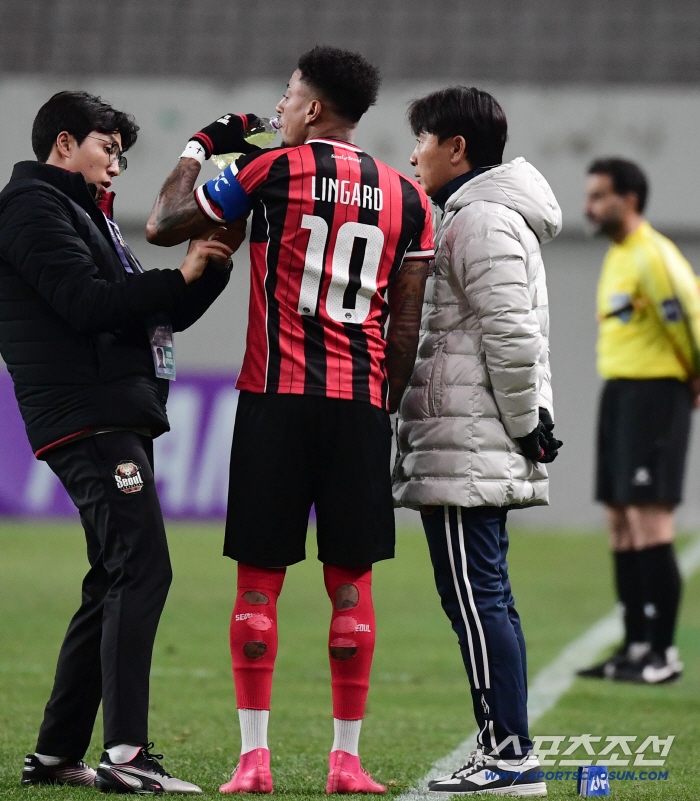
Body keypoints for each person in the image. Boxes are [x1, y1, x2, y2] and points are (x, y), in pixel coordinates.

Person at [146, 46, 433, 795]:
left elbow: (163, 223)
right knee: (350, 584)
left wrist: (199, 147)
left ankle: (254, 757)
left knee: (258, 585)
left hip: (275, 400)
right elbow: (405, 330)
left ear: (311, 109)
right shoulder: (409, 195)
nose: (278, 109)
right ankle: (346, 761)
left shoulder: (273, 169)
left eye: (286, 97)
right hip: (360, 407)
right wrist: (380, 406)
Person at [0, 91, 235, 793]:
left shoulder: (85, 216)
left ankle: (54, 752)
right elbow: (86, 304)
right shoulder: (31, 208)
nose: (116, 168)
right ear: (65, 143)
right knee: (141, 567)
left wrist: (210, 266)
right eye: (109, 149)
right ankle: (127, 754)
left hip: (111, 410)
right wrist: (177, 275)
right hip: (88, 414)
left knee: (112, 575)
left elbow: (150, 314)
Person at [392, 86, 562, 797]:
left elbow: (512, 334)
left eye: (423, 139)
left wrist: (528, 423)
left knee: (477, 595)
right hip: (466, 439)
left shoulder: (480, 218)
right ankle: (507, 748)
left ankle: (508, 755)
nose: (414, 154)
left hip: (469, 444)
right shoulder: (477, 214)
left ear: (456, 148)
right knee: (479, 594)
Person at [577, 158, 700, 684]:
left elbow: (688, 318)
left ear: (629, 199)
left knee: (650, 520)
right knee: (621, 522)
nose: (590, 205)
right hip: (621, 394)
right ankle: (634, 647)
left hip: (656, 395)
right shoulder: (619, 255)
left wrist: (694, 375)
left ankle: (663, 655)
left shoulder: (654, 256)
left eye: (600, 195)